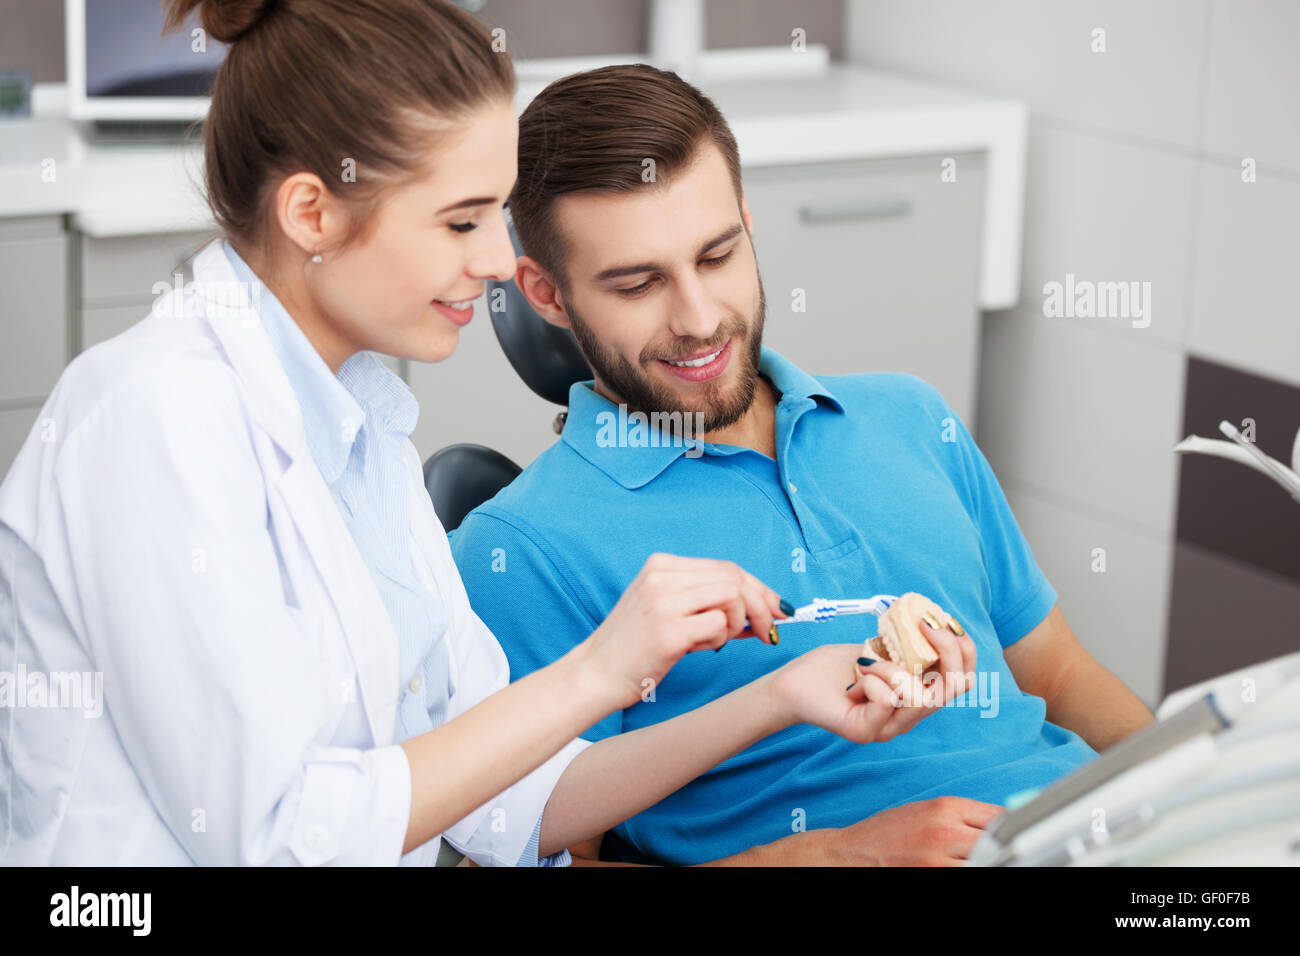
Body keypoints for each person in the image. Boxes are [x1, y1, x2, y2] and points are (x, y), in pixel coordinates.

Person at [0, 0, 974, 867]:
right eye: (462, 222)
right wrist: (601, 666)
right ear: (313, 213)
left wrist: (779, 692)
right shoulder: (155, 417)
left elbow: (510, 798)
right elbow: (280, 838)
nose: (503, 263)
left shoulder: (360, 423)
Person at [449, 63, 1156, 866]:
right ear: (545, 294)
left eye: (717, 256)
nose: (700, 318)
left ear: (749, 225)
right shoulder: (523, 548)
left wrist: (1188, 787)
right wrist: (829, 857)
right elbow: (545, 849)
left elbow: (1058, 672)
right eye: (639, 282)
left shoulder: (910, 416)